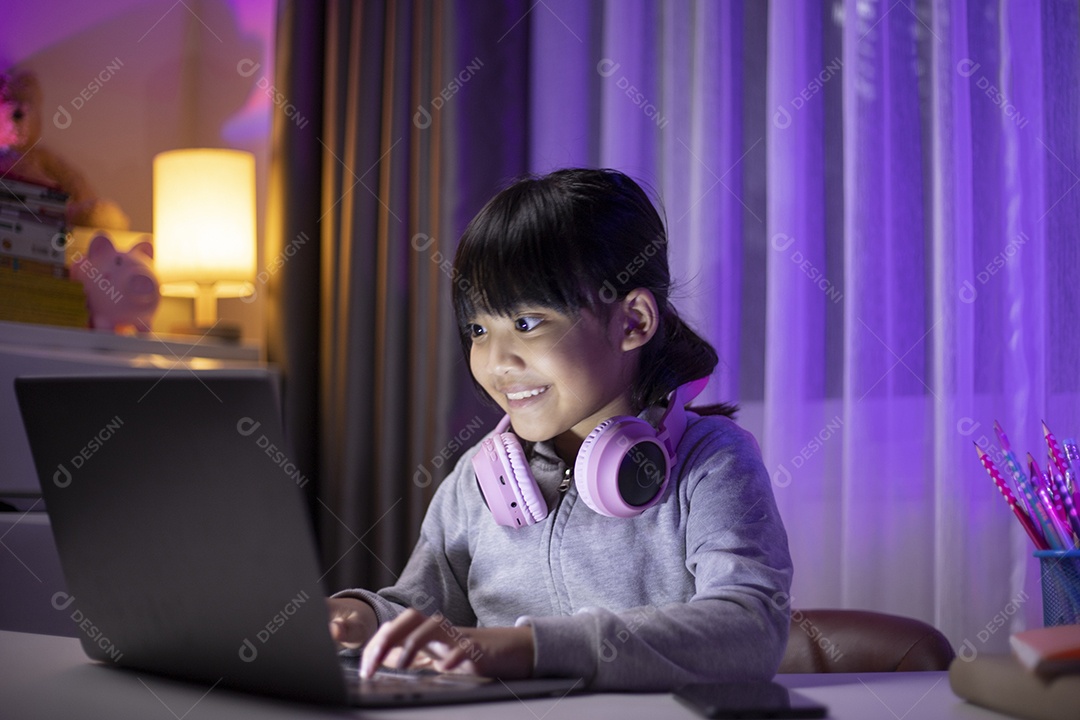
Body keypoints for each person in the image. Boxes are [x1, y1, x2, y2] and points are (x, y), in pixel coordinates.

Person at [327, 168, 792, 691]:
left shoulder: (713, 462)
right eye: (478, 329)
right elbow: (417, 615)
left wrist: (529, 649)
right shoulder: (476, 481)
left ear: (634, 321)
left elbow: (751, 628)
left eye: (526, 323)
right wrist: (360, 620)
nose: (496, 362)